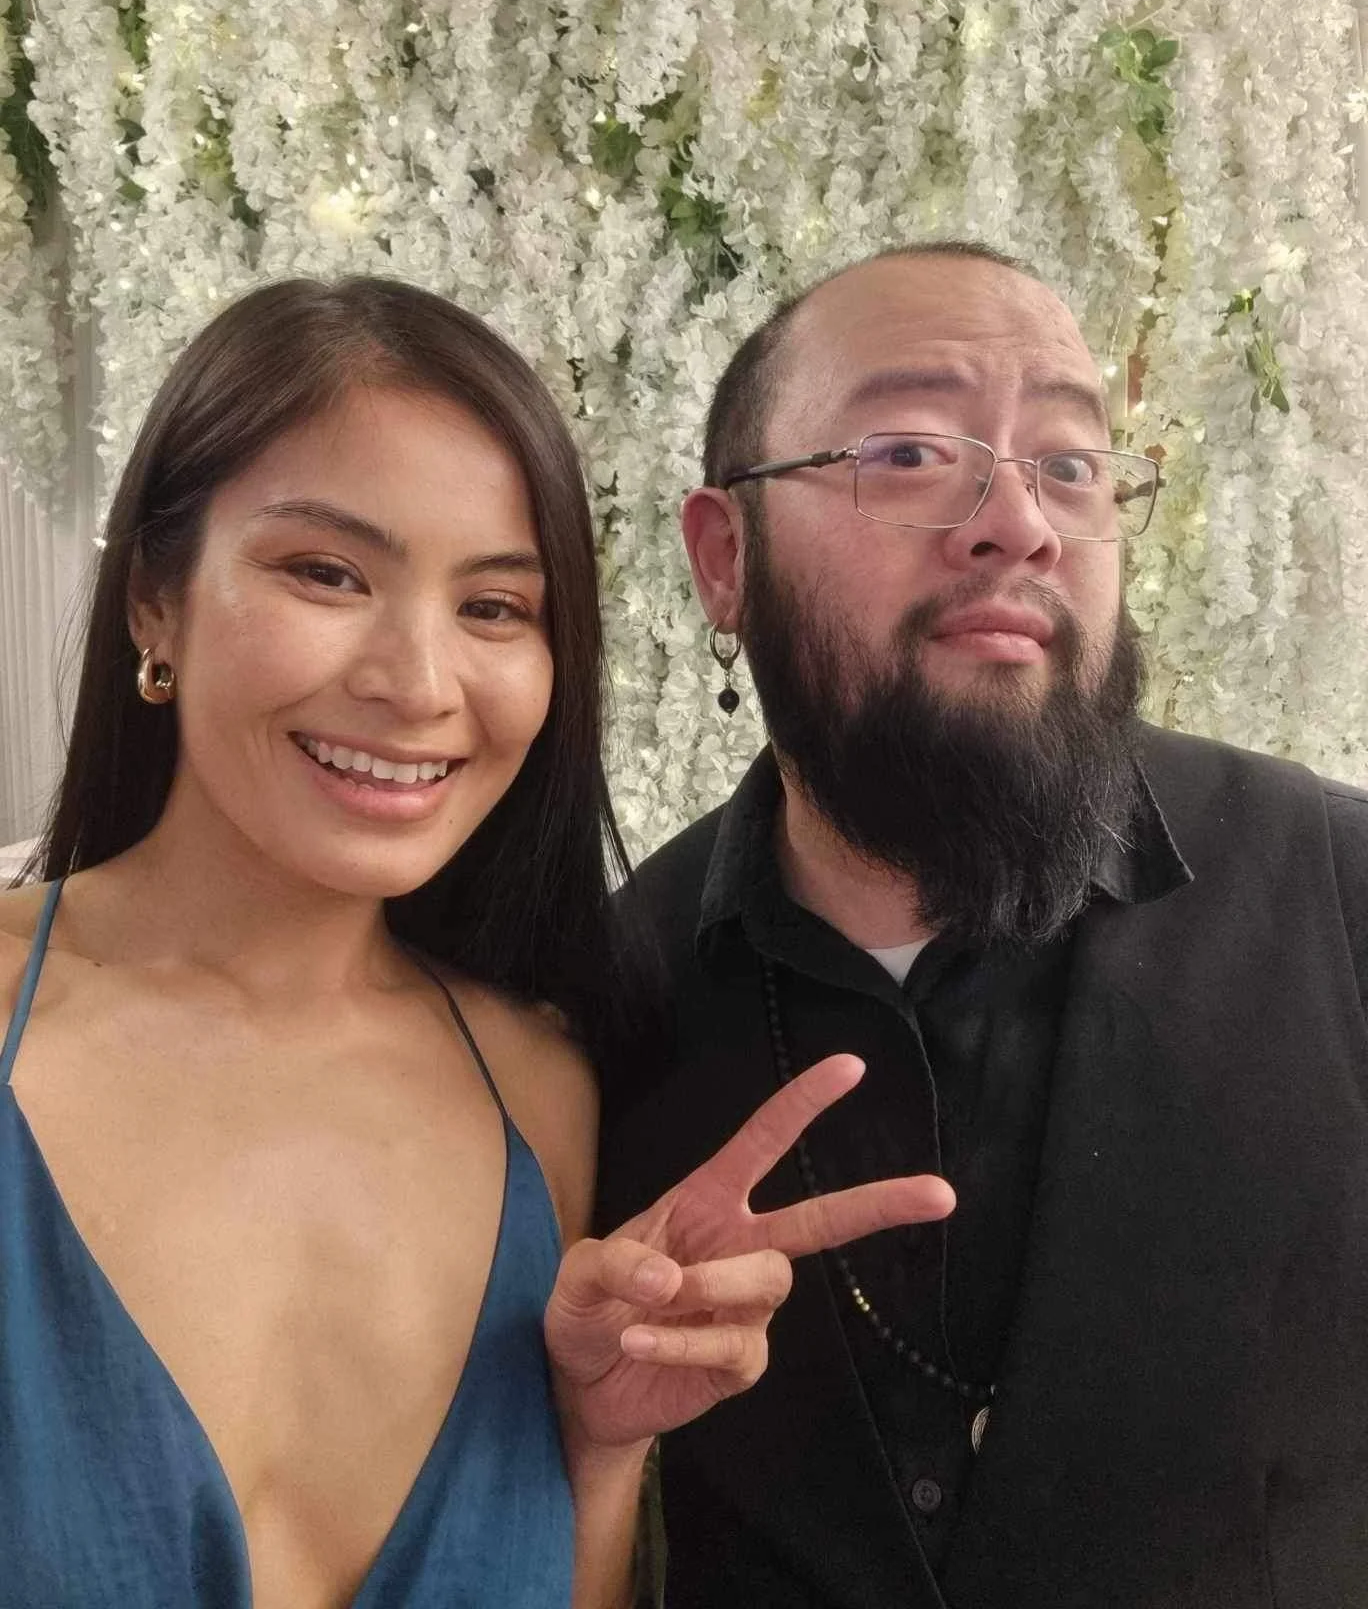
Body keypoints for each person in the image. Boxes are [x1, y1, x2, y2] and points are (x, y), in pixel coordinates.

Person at [0, 277, 954, 1609]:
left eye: (495, 609)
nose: (418, 682)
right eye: (326, 573)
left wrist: (600, 1439)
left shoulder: (537, 1088)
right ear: (156, 601)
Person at [597, 241, 1368, 1609]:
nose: (1018, 520)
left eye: (1071, 463)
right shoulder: (601, 997)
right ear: (725, 558)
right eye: (905, 452)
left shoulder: (1335, 897)